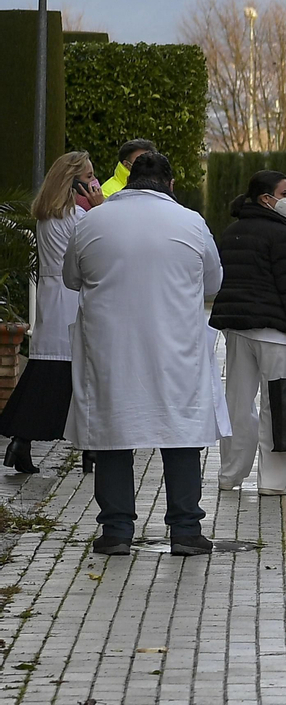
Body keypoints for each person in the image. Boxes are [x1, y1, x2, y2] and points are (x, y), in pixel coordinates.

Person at [64, 152, 222, 557]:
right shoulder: (191, 222)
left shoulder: (92, 222)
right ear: (170, 184)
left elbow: (71, 278)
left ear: (128, 179)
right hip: (176, 351)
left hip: (111, 349)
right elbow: (213, 283)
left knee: (113, 432)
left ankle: (116, 531)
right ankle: (186, 530)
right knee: (180, 433)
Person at [210, 170, 286, 495]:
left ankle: (230, 474)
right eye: (284, 194)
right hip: (274, 333)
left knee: (237, 403)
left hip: (237, 329)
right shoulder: (281, 235)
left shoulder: (231, 232)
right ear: (265, 199)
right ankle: (272, 481)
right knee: (277, 407)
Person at [0, 152, 102, 474]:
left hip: (52, 297)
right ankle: (89, 449)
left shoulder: (48, 216)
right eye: (88, 177)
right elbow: (98, 249)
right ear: (74, 182)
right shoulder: (78, 217)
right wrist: (100, 208)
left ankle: (22, 441)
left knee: (46, 375)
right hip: (71, 299)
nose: (94, 183)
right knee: (77, 378)